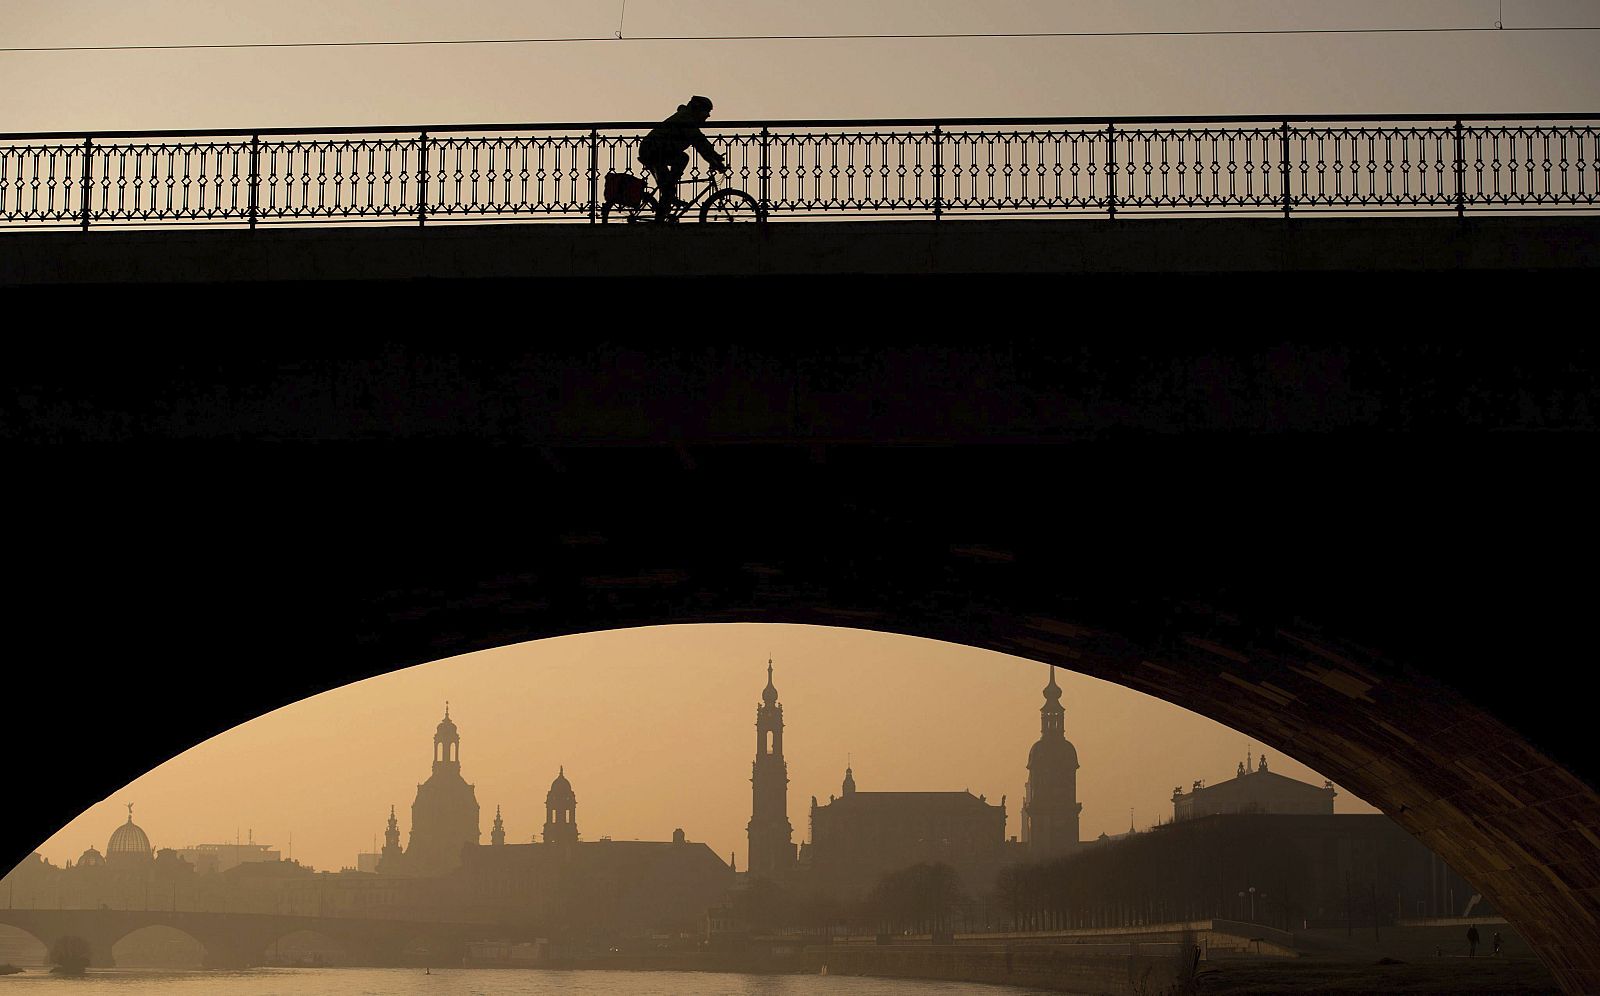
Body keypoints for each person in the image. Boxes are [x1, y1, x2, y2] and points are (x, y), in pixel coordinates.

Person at [638, 95, 728, 223]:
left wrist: (714, 159)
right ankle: (664, 207)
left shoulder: (686, 118)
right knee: (681, 159)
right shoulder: (686, 120)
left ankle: (668, 197)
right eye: (706, 111)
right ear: (697, 109)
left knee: (673, 175)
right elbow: (700, 142)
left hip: (654, 149)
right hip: (652, 150)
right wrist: (715, 160)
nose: (708, 116)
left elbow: (701, 143)